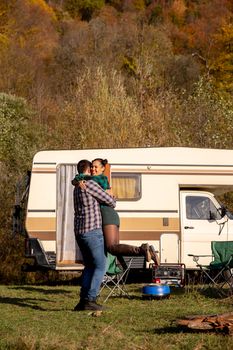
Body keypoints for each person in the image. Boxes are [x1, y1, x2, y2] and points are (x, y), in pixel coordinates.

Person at [72, 158, 158, 264]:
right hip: (110, 215)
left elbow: (80, 176)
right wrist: (77, 181)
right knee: (115, 248)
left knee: (111, 247)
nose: (93, 169)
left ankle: (142, 250)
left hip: (106, 213)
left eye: (95, 167)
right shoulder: (96, 179)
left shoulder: (95, 179)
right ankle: (145, 253)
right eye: (91, 167)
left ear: (103, 168)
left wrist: (77, 181)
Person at [73, 159, 116, 311]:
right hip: (92, 231)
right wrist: (110, 194)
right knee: (100, 265)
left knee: (89, 266)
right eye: (90, 167)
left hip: (79, 232)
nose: (92, 170)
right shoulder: (90, 184)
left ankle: (83, 301)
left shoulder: (77, 187)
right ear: (87, 169)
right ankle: (91, 299)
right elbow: (111, 201)